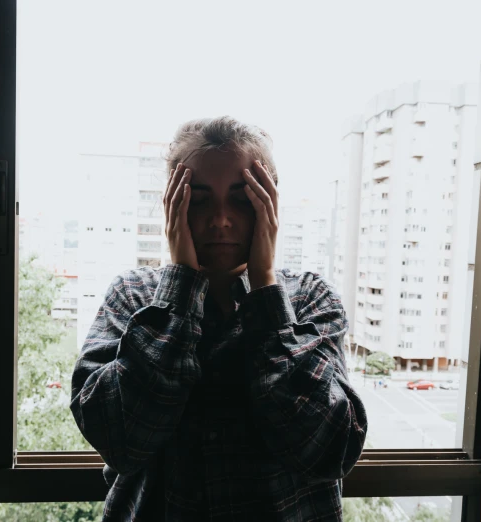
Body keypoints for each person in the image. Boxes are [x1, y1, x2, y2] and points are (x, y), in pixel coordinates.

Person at [70, 116, 368, 521]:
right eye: (200, 199)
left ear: (270, 203)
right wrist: (180, 288)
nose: (221, 219)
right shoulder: (134, 297)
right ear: (173, 203)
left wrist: (265, 290)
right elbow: (119, 439)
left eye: (243, 199)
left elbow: (330, 450)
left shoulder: (310, 299)